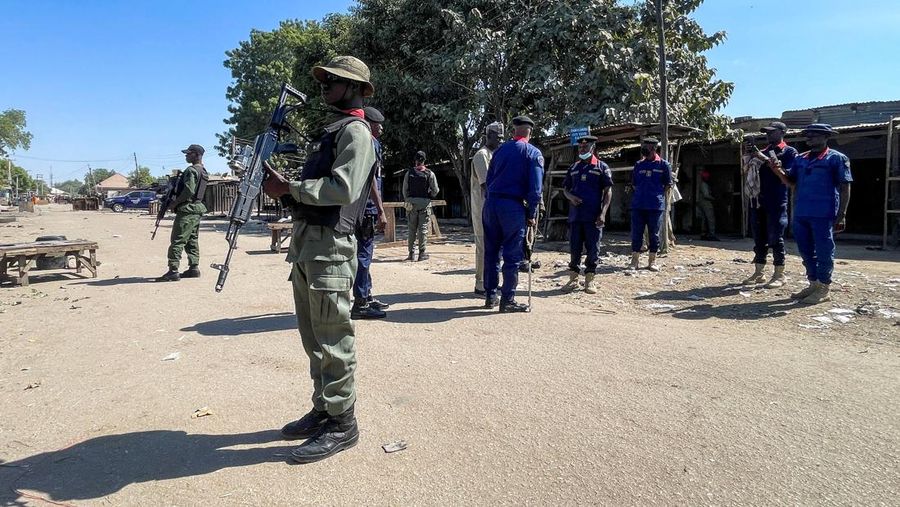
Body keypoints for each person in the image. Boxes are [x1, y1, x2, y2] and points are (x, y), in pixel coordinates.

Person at [261, 55, 376, 463]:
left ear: (357, 88)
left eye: (335, 81)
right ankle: (325, 409)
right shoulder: (334, 130)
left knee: (333, 339)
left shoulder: (357, 133)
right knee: (314, 338)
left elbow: (342, 188)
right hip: (310, 243)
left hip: (331, 248)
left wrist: (289, 187)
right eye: (325, 80)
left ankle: (343, 425)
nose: (325, 86)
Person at [770, 123, 851, 304]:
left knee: (824, 250)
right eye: (807, 135)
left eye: (814, 135)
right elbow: (791, 182)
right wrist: (778, 170)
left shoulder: (836, 158)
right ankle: (813, 283)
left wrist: (842, 213)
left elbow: (845, 187)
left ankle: (824, 288)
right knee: (805, 250)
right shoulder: (801, 159)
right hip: (802, 212)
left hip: (824, 212)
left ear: (825, 137)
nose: (809, 138)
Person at [482, 115, 544, 312]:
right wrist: (532, 213)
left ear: (514, 131)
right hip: (512, 207)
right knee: (512, 255)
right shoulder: (532, 152)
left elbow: (489, 179)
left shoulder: (499, 151)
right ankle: (507, 299)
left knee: (491, 253)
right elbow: (535, 189)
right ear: (530, 132)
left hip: (491, 205)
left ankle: (490, 296)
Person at [742, 121, 797, 287]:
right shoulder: (762, 151)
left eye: (772, 132)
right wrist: (748, 155)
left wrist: (764, 158)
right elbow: (746, 171)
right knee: (759, 237)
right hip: (758, 200)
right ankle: (759, 273)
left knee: (775, 237)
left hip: (776, 200)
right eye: (766, 132)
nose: (768, 135)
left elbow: (788, 176)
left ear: (782, 132)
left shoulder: (789, 152)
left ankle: (779, 275)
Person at [351, 106, 390, 320]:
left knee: (365, 252)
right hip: (366, 207)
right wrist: (381, 210)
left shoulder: (369, 143)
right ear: (369, 125)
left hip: (362, 206)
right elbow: (370, 179)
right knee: (364, 254)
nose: (381, 127)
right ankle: (360, 303)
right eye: (378, 123)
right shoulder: (370, 143)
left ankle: (367, 293)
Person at [561, 135, 612, 294]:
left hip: (594, 217)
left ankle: (590, 280)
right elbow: (565, 189)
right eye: (580, 147)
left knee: (593, 249)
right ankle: (573, 279)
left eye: (585, 147)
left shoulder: (601, 167)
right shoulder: (574, 167)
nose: (582, 150)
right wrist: (571, 197)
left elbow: (608, 191)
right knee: (574, 249)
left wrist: (603, 213)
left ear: (593, 148)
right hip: (576, 217)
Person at [156, 144, 208, 282]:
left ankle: (173, 270)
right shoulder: (203, 170)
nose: (186, 156)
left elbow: (189, 191)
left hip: (187, 210)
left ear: (197, 155)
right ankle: (194, 268)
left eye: (189, 153)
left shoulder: (191, 170)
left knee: (177, 240)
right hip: (196, 209)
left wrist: (175, 203)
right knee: (192, 239)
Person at [628, 137, 672, 272]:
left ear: (654, 148)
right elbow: (634, 184)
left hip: (655, 206)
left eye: (646, 147)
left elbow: (667, 185)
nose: (644, 149)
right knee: (636, 233)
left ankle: (652, 261)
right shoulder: (638, 165)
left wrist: (656, 195)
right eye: (643, 146)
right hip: (638, 205)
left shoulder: (664, 165)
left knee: (654, 234)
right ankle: (634, 261)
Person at [471, 122, 504, 295]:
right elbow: (487, 185)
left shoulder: (496, 154)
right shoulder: (482, 155)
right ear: (488, 136)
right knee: (483, 247)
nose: (500, 141)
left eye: (502, 138)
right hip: (483, 209)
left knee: (495, 248)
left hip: (494, 210)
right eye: (497, 137)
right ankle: (481, 283)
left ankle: (491, 281)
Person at [402, 150, 439, 261]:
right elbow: (435, 190)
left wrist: (409, 199)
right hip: (424, 203)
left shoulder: (409, 173)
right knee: (422, 229)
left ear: (415, 160)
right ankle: (422, 253)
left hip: (412, 204)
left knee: (412, 229)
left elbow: (405, 190)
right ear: (424, 160)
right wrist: (429, 195)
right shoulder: (430, 173)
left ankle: (411, 254)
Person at [697, 170, 719, 241]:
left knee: (704, 219)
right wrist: (714, 198)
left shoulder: (703, 184)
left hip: (702, 203)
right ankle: (712, 234)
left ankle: (704, 234)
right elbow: (706, 195)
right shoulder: (704, 185)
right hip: (706, 203)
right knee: (711, 219)